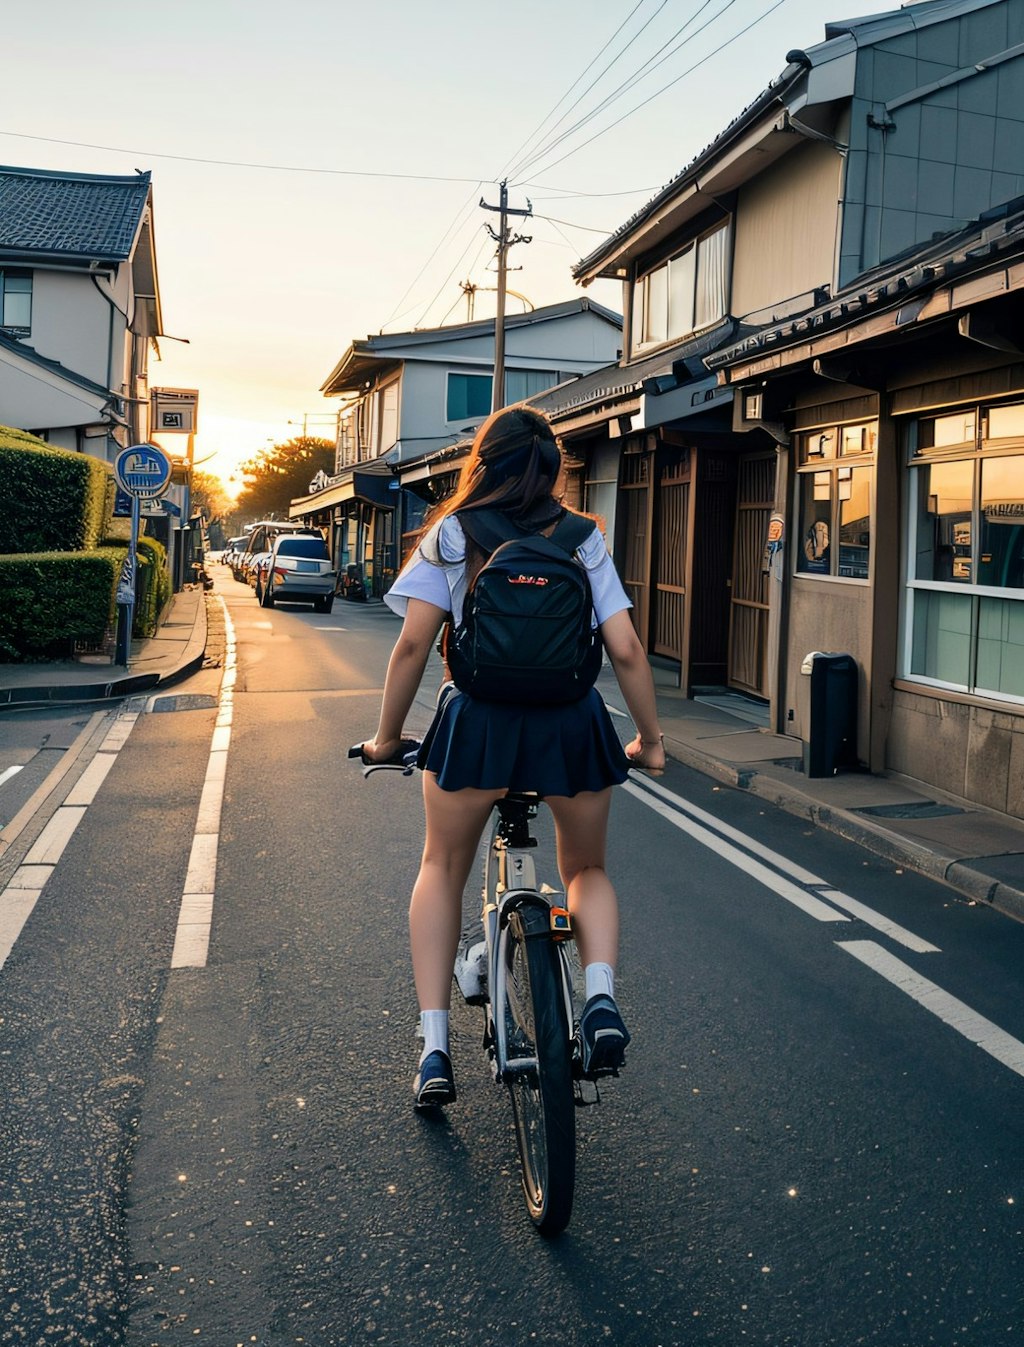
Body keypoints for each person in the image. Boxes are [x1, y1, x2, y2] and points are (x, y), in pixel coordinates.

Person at [360, 405, 666, 1109]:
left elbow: (412, 646)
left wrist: (385, 736)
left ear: (483, 464)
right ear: (556, 470)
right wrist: (649, 741)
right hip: (571, 727)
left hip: (478, 727)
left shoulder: (454, 532)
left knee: (440, 865)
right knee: (586, 869)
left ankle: (435, 1045)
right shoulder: (585, 537)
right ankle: (598, 1000)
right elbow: (624, 650)